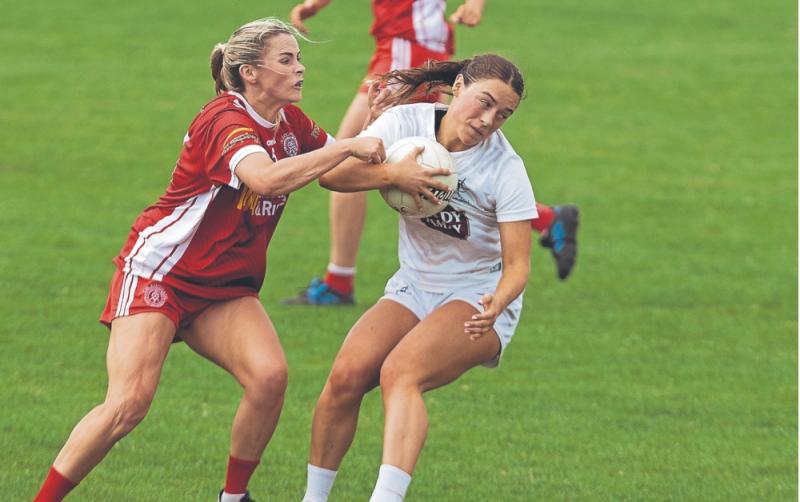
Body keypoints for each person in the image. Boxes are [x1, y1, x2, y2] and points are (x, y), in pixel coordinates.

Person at [31, 17, 398, 502]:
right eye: (287, 60)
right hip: (161, 273)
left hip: (223, 285)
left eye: (298, 58)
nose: (300, 69)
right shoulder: (224, 119)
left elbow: (336, 173)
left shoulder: (291, 124)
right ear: (249, 72)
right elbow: (265, 179)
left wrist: (401, 174)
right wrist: (352, 144)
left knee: (269, 377)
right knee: (128, 405)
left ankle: (233, 498)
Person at [301, 54, 537, 501]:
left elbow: (519, 265)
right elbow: (330, 175)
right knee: (346, 376)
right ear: (459, 86)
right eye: (483, 103)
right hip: (414, 283)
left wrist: (498, 302)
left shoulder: (506, 169)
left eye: (503, 114)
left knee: (401, 373)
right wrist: (392, 173)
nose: (489, 120)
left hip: (477, 296)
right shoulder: (406, 123)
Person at [285, 0, 579, 306]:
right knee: (421, 152)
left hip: (408, 40)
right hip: (402, 41)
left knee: (349, 154)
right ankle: (545, 217)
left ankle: (339, 281)